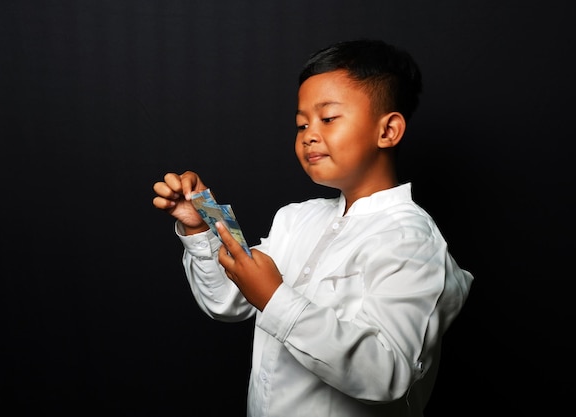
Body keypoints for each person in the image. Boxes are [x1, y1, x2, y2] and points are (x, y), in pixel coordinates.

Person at [152, 39, 474, 417]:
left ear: (387, 131)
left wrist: (276, 299)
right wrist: (204, 222)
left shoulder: (412, 240)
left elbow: (387, 372)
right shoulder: (296, 217)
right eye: (301, 123)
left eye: (329, 118)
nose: (309, 134)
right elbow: (228, 301)